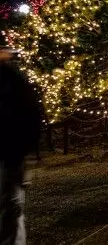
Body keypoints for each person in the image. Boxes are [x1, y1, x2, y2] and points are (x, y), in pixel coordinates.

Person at [0, 48, 41, 245]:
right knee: (12, 207)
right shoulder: (16, 82)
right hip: (12, 154)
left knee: (11, 206)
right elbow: (32, 117)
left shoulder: (14, 83)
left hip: (11, 154)